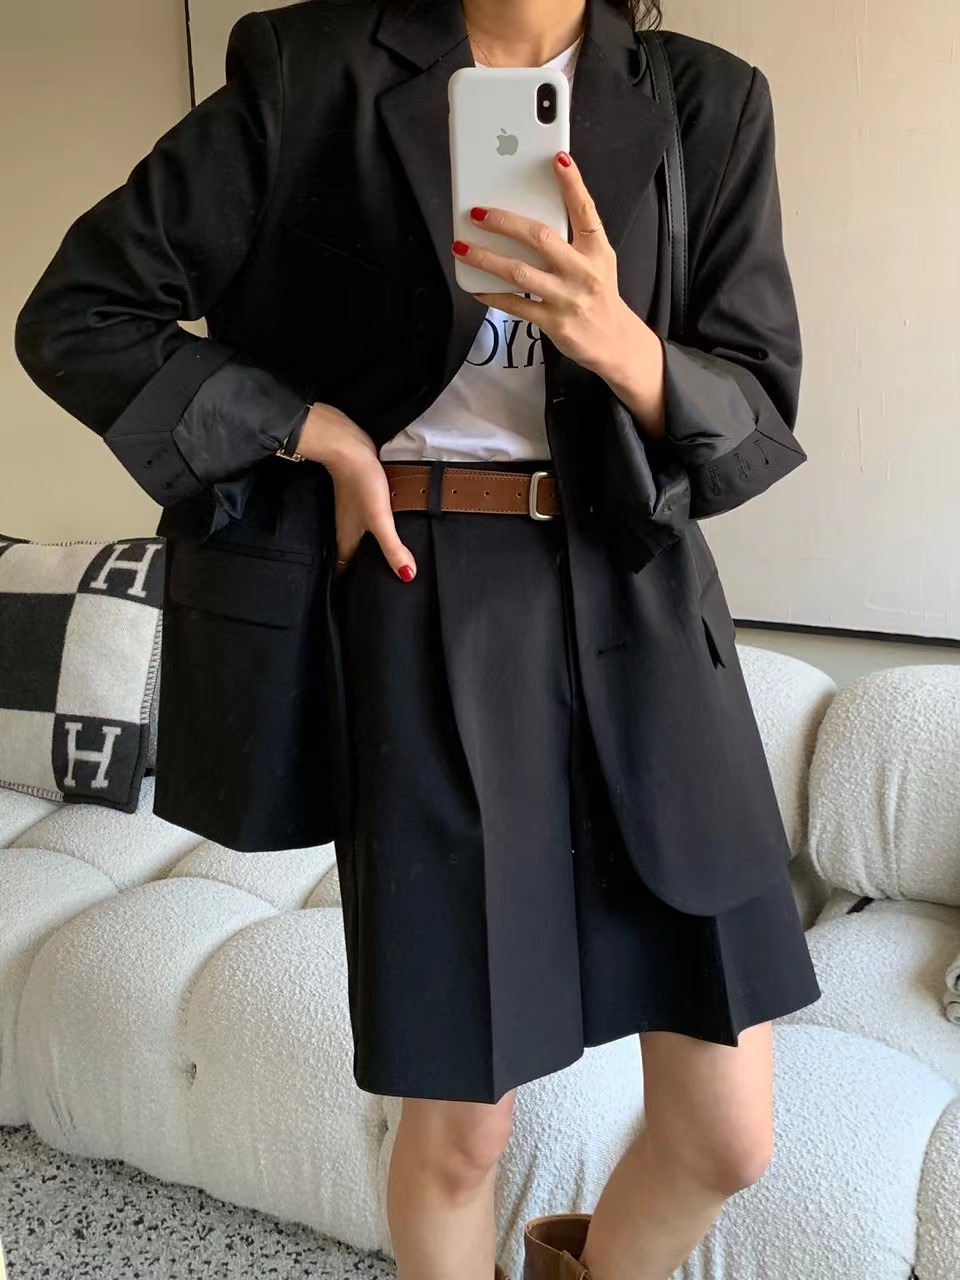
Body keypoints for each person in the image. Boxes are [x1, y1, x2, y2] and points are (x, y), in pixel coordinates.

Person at [14, 0, 822, 1277]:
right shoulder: (310, 70)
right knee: (461, 1130)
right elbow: (80, 313)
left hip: (646, 602)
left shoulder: (705, 100)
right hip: (423, 591)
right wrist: (313, 431)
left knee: (727, 1133)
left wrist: (622, 342)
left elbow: (757, 409)